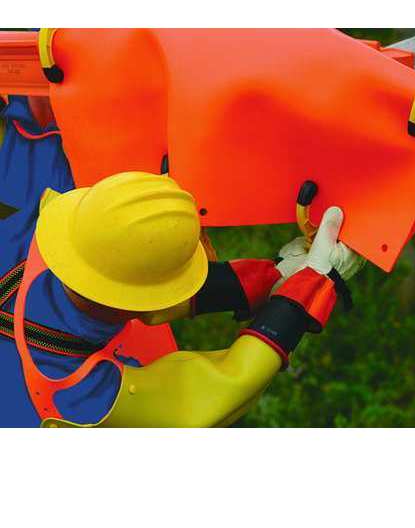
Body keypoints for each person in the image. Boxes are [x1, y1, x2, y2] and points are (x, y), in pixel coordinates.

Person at [1, 97, 363, 427]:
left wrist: (274, 276)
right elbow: (220, 390)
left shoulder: (31, 225)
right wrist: (309, 289)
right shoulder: (74, 394)